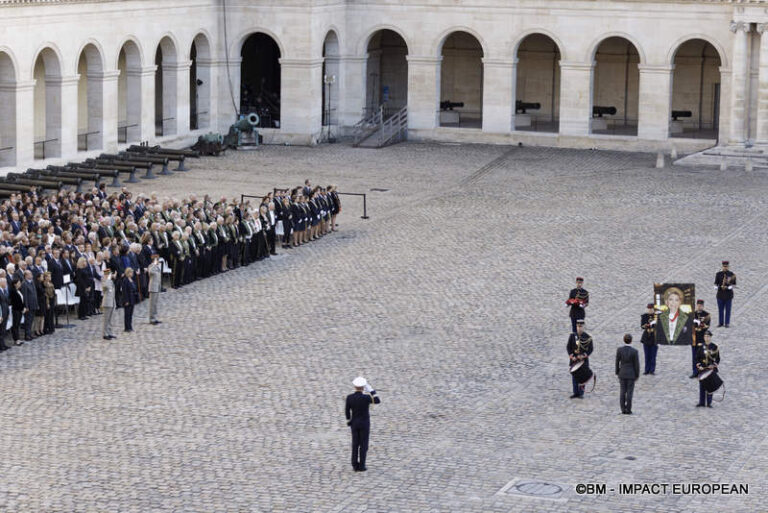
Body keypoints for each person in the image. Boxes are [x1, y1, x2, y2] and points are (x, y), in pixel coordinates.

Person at [345, 376, 381, 472]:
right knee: (364, 445)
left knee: (355, 444)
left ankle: (354, 464)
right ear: (363, 387)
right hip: (364, 423)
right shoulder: (366, 397)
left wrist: (349, 420)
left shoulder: (349, 397)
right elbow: (377, 400)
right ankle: (362, 465)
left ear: (354, 386)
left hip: (354, 423)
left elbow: (347, 411)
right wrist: (372, 391)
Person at [567, 319, 593, 399]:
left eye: (581, 327)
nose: (579, 328)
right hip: (574, 360)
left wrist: (583, 355)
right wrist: (571, 356)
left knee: (582, 377)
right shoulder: (572, 336)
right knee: (574, 377)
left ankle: (581, 393)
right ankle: (575, 392)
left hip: (583, 361)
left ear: (583, 327)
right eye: (578, 327)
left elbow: (590, 349)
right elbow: (568, 347)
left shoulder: (587, 337)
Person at [616, 333, 640, 414]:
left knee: (622, 391)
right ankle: (628, 409)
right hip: (631, 374)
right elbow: (636, 364)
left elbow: (617, 362)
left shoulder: (619, 350)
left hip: (622, 373)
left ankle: (623, 409)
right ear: (631, 341)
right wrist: (637, 374)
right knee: (629, 392)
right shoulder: (634, 351)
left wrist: (617, 372)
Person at [696, 331, 720, 408]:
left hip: (710, 369)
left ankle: (709, 403)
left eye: (708, 337)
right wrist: (699, 365)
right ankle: (701, 402)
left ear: (710, 337)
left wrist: (714, 365)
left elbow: (717, 359)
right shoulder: (701, 346)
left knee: (710, 386)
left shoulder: (714, 347)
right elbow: (697, 358)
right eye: (705, 336)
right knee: (702, 386)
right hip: (703, 368)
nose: (706, 338)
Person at [691, 299, 711, 378]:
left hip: (702, 338)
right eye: (698, 305)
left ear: (703, 306)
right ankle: (695, 372)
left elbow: (707, 326)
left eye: (701, 305)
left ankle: (702, 371)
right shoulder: (693, 314)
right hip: (694, 338)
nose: (699, 307)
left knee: (702, 357)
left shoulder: (707, 315)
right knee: (694, 357)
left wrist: (700, 323)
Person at [714, 260, 736, 328]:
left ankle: (727, 323)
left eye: (726, 266)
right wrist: (716, 287)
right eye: (724, 266)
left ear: (728, 267)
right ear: (722, 266)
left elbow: (734, 284)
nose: (725, 267)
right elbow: (715, 283)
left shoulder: (732, 274)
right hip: (720, 294)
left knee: (728, 310)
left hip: (728, 295)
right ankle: (720, 323)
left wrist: (729, 287)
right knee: (720, 310)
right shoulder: (718, 274)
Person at [20, 270, 38, 341]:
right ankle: (27, 335)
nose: (31, 275)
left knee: (31, 320)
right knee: (28, 320)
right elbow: (25, 296)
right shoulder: (24, 284)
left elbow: (35, 294)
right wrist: (26, 306)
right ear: (26, 275)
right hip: (28, 305)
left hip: (33, 304)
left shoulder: (32, 282)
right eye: (30, 274)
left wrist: (37, 304)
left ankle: (30, 334)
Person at [640, 303, 657, 375]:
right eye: (649, 309)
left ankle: (652, 370)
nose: (650, 310)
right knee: (647, 355)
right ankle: (646, 369)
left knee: (653, 355)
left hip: (654, 337)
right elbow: (642, 326)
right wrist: (646, 325)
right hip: (646, 337)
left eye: (651, 309)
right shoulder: (644, 316)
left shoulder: (656, 317)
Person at [122, 267, 139, 332]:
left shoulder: (132, 280)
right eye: (131, 272)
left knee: (130, 314)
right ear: (128, 273)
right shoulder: (125, 280)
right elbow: (124, 291)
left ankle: (130, 326)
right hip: (128, 299)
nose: (132, 273)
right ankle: (127, 327)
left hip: (132, 298)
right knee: (127, 314)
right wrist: (126, 300)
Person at [147, 253, 162, 325]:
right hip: (153, 287)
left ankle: (155, 317)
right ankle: (151, 319)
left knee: (155, 304)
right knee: (152, 304)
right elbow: (150, 272)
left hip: (157, 287)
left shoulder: (156, 266)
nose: (158, 261)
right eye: (157, 259)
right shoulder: (151, 266)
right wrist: (154, 264)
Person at [102, 268, 116, 340]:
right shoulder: (105, 281)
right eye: (109, 274)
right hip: (107, 302)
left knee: (110, 319)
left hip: (112, 302)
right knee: (106, 319)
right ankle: (105, 333)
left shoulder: (110, 281)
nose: (111, 275)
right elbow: (105, 287)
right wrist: (107, 278)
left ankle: (110, 332)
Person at [9, 278, 24, 345]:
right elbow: (16, 302)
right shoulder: (13, 291)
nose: (20, 284)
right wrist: (22, 308)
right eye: (18, 283)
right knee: (15, 325)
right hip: (16, 310)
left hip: (20, 310)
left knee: (18, 324)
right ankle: (16, 339)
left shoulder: (18, 290)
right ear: (15, 284)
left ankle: (18, 338)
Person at [0, 278, 9, 351]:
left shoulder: (4, 291)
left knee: (3, 330)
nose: (6, 284)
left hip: (5, 312)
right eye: (5, 283)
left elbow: (7, 302)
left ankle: (3, 344)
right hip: (1, 313)